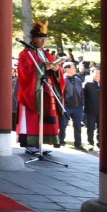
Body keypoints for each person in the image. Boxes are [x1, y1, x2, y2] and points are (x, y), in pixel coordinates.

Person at [16, 19, 63, 154]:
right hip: (31, 92)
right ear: (33, 38)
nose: (43, 41)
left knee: (44, 117)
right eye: (40, 38)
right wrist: (43, 66)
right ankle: (30, 144)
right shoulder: (26, 54)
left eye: (45, 38)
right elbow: (25, 72)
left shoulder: (47, 54)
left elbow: (57, 68)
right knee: (32, 118)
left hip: (46, 90)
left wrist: (56, 69)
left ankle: (40, 143)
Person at [61, 61, 86, 150]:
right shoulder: (62, 80)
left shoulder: (78, 80)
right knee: (63, 125)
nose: (75, 69)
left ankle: (78, 144)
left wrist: (82, 103)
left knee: (78, 126)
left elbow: (81, 93)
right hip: (66, 107)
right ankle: (61, 142)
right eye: (73, 67)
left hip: (78, 107)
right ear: (67, 69)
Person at [84, 67, 101, 150]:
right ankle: (90, 143)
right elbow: (83, 97)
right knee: (90, 127)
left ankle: (100, 143)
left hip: (101, 111)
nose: (99, 75)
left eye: (100, 73)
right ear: (92, 73)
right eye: (97, 73)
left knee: (100, 128)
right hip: (90, 110)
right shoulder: (88, 84)